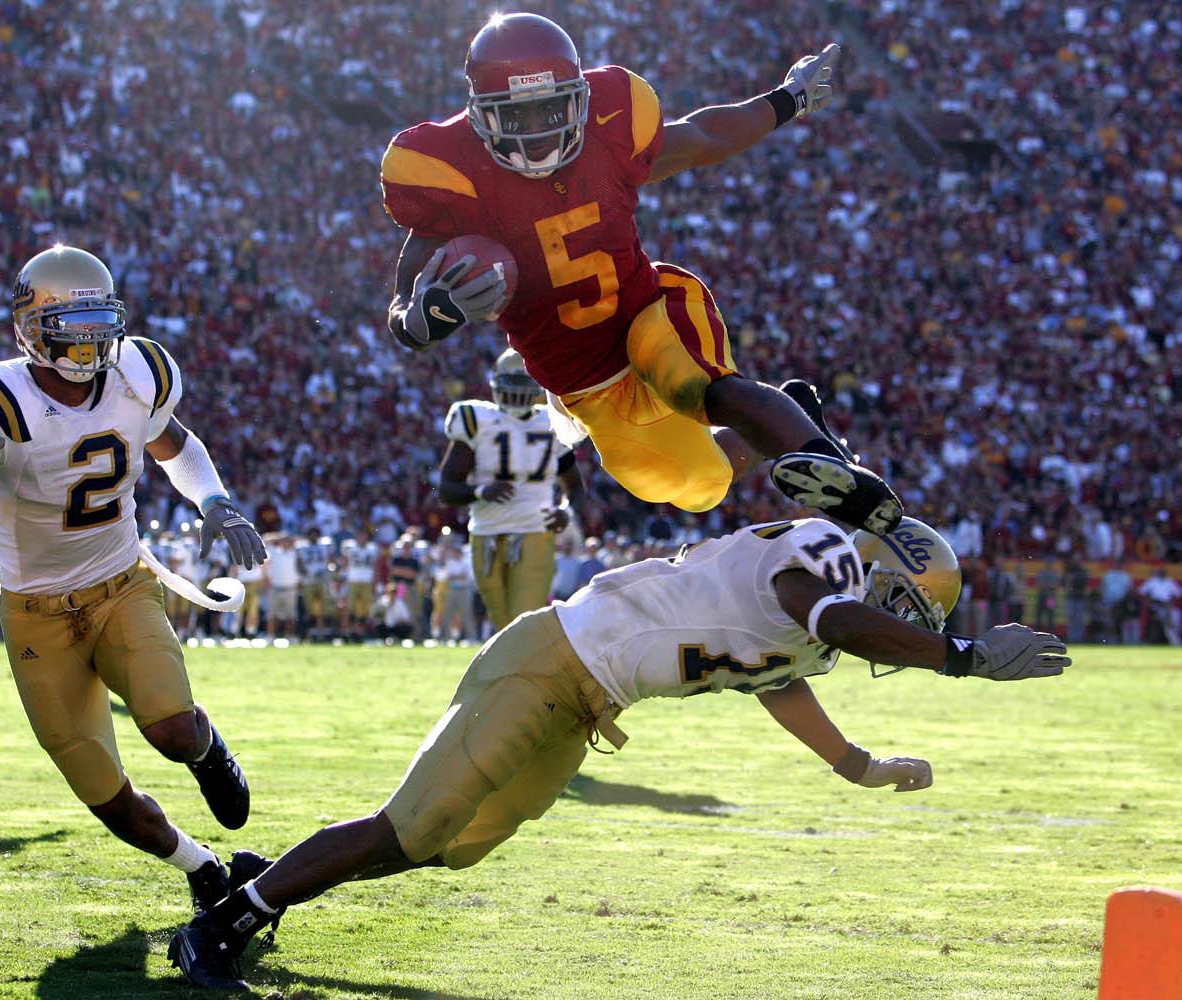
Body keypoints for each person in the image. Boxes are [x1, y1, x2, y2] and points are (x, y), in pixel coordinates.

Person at [170, 516, 1069, 989]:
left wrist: (858, 765)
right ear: (877, 574)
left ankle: (273, 878)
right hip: (547, 660)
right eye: (903, 613)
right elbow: (827, 611)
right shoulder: (822, 563)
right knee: (418, 819)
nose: (899, 637)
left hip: (589, 701)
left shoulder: (819, 625)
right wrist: (960, 659)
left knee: (444, 845)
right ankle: (224, 921)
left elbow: (782, 683)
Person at [380, 13, 901, 536]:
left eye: (551, 109)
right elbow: (403, 306)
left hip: (648, 309)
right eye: (518, 117)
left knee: (696, 384)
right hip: (584, 382)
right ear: (478, 114)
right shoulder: (449, 176)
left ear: (580, 99)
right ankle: (794, 414)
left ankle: (844, 478)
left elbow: (703, 138)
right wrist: (423, 318)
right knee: (697, 485)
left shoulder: (608, 137)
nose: (538, 133)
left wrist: (790, 99)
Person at [0, 245, 268, 911]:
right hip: (35, 611)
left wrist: (213, 499)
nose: (91, 346)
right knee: (104, 794)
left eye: (101, 327)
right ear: (32, 330)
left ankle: (210, 752)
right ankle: (201, 865)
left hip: (120, 582)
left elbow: (176, 444)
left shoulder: (140, 370)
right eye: (74, 330)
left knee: (172, 728)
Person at [439, 349, 585, 632]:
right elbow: (446, 489)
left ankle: (521, 675)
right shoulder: (475, 418)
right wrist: (481, 492)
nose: (516, 392)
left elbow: (576, 487)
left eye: (522, 384)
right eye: (511, 383)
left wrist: (567, 512)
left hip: (534, 529)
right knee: (501, 623)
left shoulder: (552, 422)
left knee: (523, 622)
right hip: (486, 532)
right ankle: (512, 675)